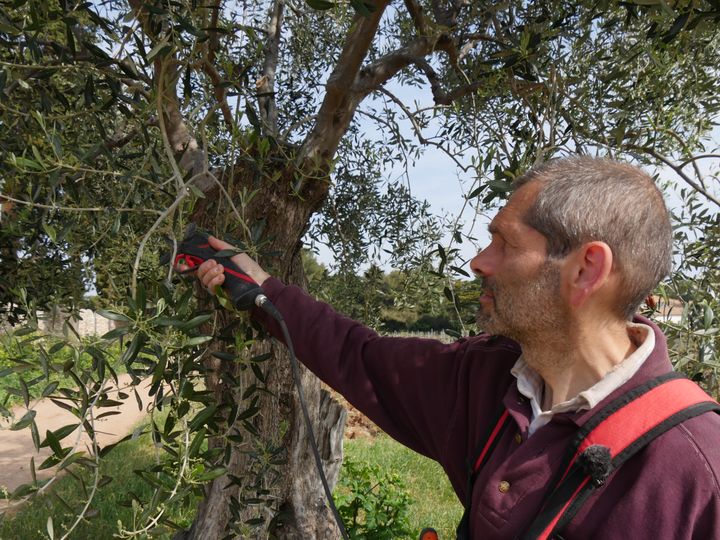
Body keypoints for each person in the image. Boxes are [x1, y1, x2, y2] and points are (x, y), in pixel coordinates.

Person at [193, 157, 720, 539]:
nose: (479, 261)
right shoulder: (485, 378)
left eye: (505, 243)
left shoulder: (697, 468)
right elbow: (357, 355)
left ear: (586, 269)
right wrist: (262, 288)